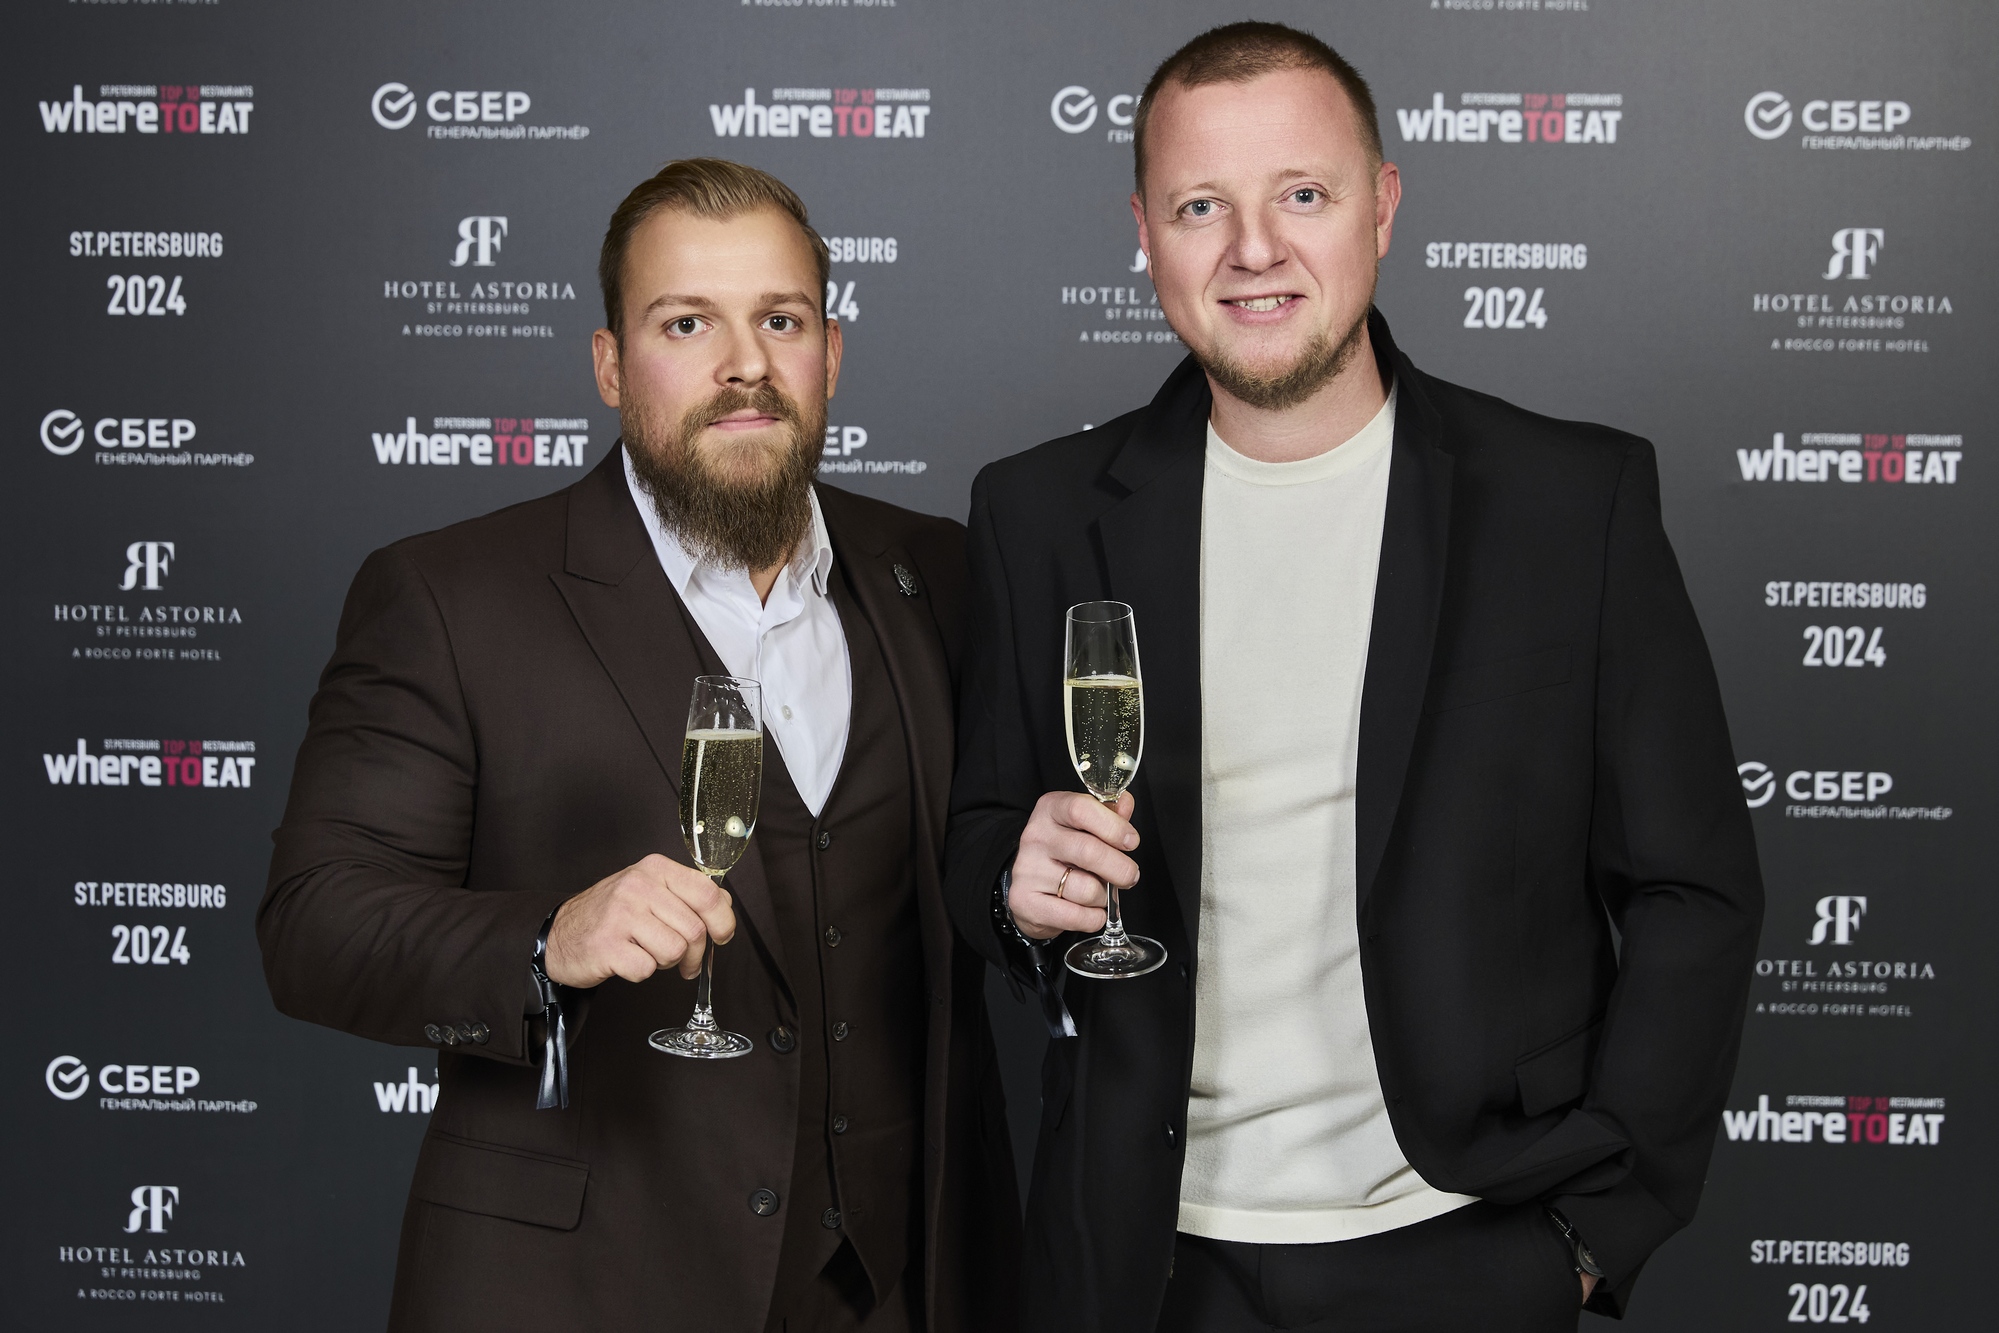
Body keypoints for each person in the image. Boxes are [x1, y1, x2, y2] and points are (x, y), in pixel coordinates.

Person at [944, 22, 1761, 1333]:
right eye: (1199, 206)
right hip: (1139, 1266)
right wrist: (1009, 882)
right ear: (1144, 234)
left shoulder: (1569, 502)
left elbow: (1691, 886)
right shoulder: (1033, 514)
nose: (1252, 249)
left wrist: (1587, 1237)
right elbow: (983, 831)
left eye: (1301, 196)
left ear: (1380, 207)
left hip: (1464, 1248)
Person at [260, 158, 1016, 1333]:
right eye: (686, 323)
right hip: (584, 1292)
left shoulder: (943, 572)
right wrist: (546, 937)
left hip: (898, 1289)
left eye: (780, 320)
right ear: (610, 364)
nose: (745, 364)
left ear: (830, 352)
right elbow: (314, 926)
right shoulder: (450, 595)